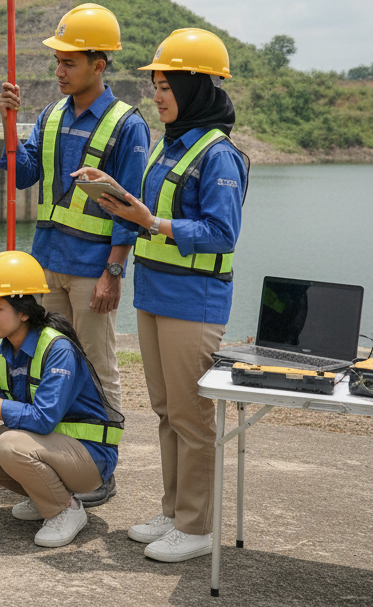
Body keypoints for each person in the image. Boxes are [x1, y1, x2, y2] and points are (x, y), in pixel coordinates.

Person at [75, 28, 248, 563]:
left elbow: (222, 233)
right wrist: (116, 194)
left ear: (198, 87)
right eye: (155, 84)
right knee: (167, 411)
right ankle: (174, 512)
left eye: (168, 84)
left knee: (193, 418)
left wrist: (154, 223)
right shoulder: (170, 144)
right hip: (153, 296)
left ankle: (197, 527)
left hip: (193, 302)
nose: (158, 94)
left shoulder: (220, 155)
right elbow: (151, 212)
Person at [0, 2, 149, 506]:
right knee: (51, 367)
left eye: (69, 63)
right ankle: (56, 468)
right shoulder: (51, 114)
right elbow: (21, 175)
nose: (59, 71)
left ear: (98, 65)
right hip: (48, 264)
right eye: (57, 62)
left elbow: (130, 207)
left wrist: (113, 271)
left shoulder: (127, 126)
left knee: (99, 367)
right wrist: (8, 122)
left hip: (91, 271)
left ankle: (101, 470)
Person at [0, 250, 122, 548]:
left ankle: (65, 510)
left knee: (9, 445)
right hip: (51, 447)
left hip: (91, 456)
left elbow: (42, 419)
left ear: (24, 311)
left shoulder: (58, 349)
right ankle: (45, 495)